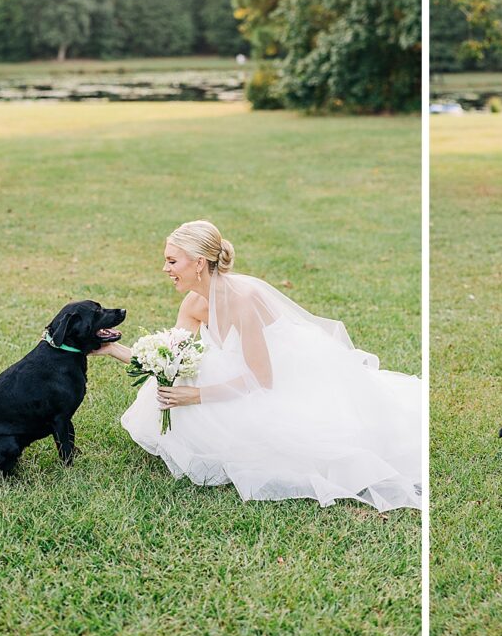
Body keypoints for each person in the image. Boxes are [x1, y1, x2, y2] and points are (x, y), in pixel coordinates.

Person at [102, 219, 421, 511]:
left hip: (283, 377)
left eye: (172, 261)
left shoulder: (243, 299)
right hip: (241, 374)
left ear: (199, 262)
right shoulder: (194, 303)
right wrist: (113, 350)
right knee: (180, 381)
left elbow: (262, 379)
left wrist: (197, 396)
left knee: (302, 441)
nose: (165, 268)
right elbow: (169, 357)